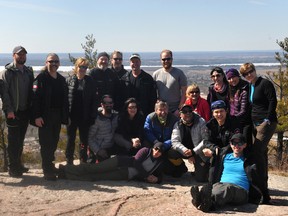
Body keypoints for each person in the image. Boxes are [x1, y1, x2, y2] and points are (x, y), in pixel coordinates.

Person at [190, 133, 262, 212]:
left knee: (227, 188)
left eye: (240, 143)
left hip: (241, 191)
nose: (237, 146)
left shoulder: (249, 160)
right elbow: (212, 151)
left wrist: (264, 196)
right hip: (221, 185)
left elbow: (259, 177)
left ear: (244, 145)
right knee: (214, 187)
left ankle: (209, 204)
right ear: (231, 144)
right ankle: (201, 199)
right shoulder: (224, 157)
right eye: (234, 143)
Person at [239, 62, 277, 204]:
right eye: (245, 74)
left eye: (250, 71)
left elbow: (273, 101)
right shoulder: (250, 86)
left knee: (257, 152)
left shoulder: (264, 83)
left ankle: (264, 192)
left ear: (255, 70)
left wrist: (267, 119)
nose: (249, 75)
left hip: (265, 123)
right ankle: (263, 189)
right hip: (255, 124)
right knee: (261, 154)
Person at [31, 53, 69, 181]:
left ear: (59, 63)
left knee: (53, 142)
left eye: (56, 62)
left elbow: (65, 101)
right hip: (45, 116)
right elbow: (35, 99)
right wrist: (37, 116)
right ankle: (47, 170)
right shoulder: (41, 78)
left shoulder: (61, 80)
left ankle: (50, 165)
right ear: (46, 63)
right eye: (51, 61)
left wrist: (65, 116)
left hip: (57, 115)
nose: (53, 64)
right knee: (46, 143)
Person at [58, 142, 164, 184]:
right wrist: (147, 175)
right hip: (119, 162)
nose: (157, 152)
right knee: (94, 168)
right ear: (153, 147)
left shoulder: (158, 163)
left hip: (125, 174)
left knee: (96, 177)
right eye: (156, 149)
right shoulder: (145, 150)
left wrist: (156, 179)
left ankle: (66, 175)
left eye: (159, 151)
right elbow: (136, 163)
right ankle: (65, 168)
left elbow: (160, 176)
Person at [1, 46, 34, 177]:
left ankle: (18, 164)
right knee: (13, 140)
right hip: (12, 112)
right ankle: (12, 167)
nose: (22, 57)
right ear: (13, 55)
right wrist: (9, 110)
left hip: (25, 111)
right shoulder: (7, 72)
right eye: (19, 55)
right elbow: (4, 93)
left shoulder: (28, 71)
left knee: (20, 139)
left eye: (24, 55)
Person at [65, 57, 97, 165]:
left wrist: (92, 116)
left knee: (84, 141)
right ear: (76, 67)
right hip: (71, 115)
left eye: (85, 67)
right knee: (70, 140)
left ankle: (83, 161)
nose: (82, 69)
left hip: (85, 116)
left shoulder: (90, 81)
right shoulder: (69, 80)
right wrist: (65, 115)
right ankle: (69, 160)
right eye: (80, 66)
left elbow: (94, 100)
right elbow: (65, 100)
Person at [169, 105, 210, 182]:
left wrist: (193, 152)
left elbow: (206, 140)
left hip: (198, 152)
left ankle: (200, 170)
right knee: (171, 152)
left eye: (190, 111)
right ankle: (181, 167)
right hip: (185, 152)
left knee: (201, 179)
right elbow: (175, 141)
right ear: (180, 114)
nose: (188, 113)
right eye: (184, 112)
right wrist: (185, 151)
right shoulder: (177, 124)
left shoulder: (201, 121)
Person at [153, 49, 187, 115]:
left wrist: (179, 109)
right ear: (161, 60)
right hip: (162, 111)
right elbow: (153, 93)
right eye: (163, 59)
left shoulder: (179, 73)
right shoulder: (156, 74)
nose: (166, 61)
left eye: (168, 59)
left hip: (175, 110)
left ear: (172, 59)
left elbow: (184, 93)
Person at [226, 68, 252, 148]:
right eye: (229, 78)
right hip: (234, 122)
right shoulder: (231, 89)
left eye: (233, 77)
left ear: (238, 76)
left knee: (244, 146)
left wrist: (232, 119)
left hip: (244, 123)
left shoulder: (244, 90)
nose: (231, 80)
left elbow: (244, 110)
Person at [88, 95, 118, 162]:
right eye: (106, 103)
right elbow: (90, 138)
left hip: (112, 148)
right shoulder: (97, 119)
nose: (108, 105)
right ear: (102, 104)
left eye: (110, 103)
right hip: (100, 149)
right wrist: (98, 150)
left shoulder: (116, 117)